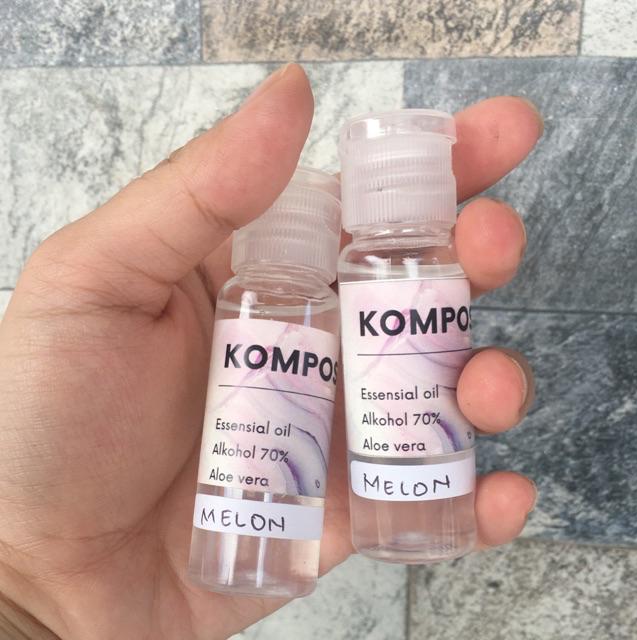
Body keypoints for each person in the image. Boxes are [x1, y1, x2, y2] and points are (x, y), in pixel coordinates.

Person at [0, 64, 538, 639]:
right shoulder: (251, 295)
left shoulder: (395, 269)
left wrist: (28, 606)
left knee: (469, 390)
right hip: (210, 511)